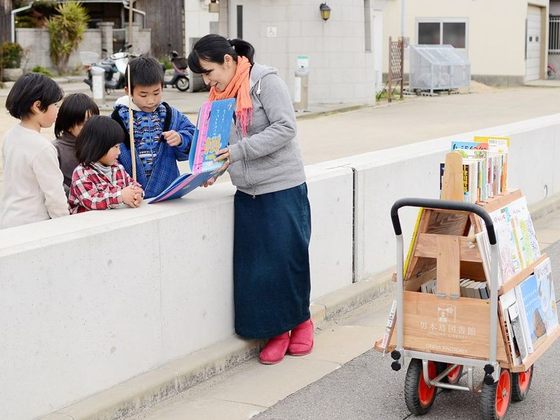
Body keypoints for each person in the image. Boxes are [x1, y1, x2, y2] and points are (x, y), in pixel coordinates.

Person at [188, 34, 313, 365]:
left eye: (208, 71)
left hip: (282, 185)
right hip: (248, 192)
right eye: (202, 75)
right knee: (258, 269)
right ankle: (276, 330)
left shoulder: (264, 82)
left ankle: (301, 321)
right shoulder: (218, 98)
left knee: (288, 260)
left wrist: (238, 152)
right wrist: (211, 170)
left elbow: (286, 128)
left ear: (227, 61)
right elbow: (220, 146)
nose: (207, 80)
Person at [111, 56, 196, 199]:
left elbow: (195, 137)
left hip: (168, 193)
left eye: (156, 93)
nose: (151, 101)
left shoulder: (170, 115)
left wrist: (180, 139)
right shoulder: (117, 119)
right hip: (131, 196)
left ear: (162, 86)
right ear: (128, 91)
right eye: (143, 95)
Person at [0, 73, 69, 229]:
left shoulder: (10, 136)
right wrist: (65, 225)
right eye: (55, 105)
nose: (57, 110)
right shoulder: (42, 147)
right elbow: (55, 197)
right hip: (33, 224)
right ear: (38, 106)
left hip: (8, 219)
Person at [68, 115, 143, 213]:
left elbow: (133, 185)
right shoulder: (82, 172)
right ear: (98, 147)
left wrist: (137, 194)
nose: (119, 152)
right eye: (115, 147)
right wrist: (121, 196)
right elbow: (91, 201)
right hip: (89, 225)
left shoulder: (118, 168)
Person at [54, 93, 100, 194]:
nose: (90, 128)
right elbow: (54, 185)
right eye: (83, 124)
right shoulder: (55, 150)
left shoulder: (98, 145)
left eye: (92, 123)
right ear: (68, 125)